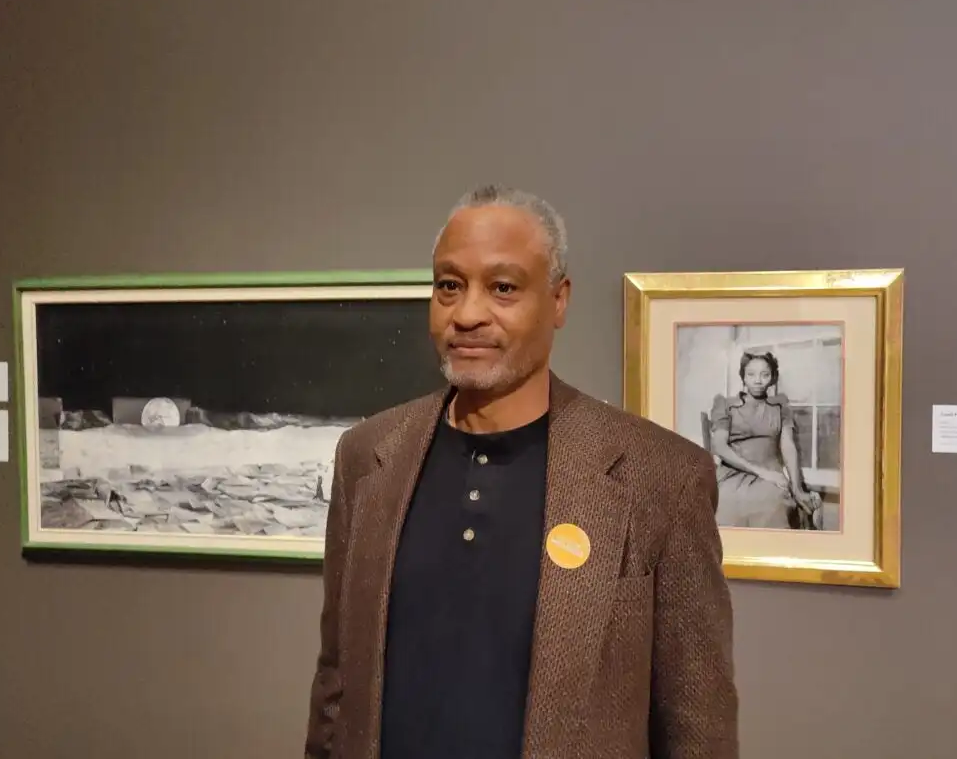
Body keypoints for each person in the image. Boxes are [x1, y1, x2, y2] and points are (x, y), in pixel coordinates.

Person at [304, 185, 738, 759]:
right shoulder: (367, 457)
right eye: (449, 286)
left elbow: (697, 726)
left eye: (502, 288)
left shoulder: (659, 477)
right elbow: (336, 688)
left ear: (558, 301)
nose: (467, 314)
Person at [708, 352, 822, 530]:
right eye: (751, 374)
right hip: (732, 473)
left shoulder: (780, 407)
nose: (758, 380)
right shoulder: (725, 404)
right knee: (725, 503)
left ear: (773, 378)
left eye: (765, 374)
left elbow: (788, 446)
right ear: (743, 377)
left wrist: (797, 487)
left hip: (772, 473)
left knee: (774, 503)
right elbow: (719, 446)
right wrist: (760, 472)